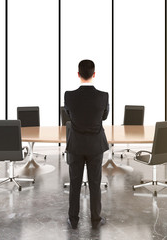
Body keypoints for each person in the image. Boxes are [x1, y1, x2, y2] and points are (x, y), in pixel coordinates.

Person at [64, 59, 109, 229]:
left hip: (76, 145)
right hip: (95, 145)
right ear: (94, 74)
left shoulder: (69, 95)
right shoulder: (103, 96)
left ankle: (73, 219)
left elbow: (69, 114)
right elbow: (104, 117)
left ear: (78, 74)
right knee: (95, 183)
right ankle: (96, 220)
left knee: (74, 183)